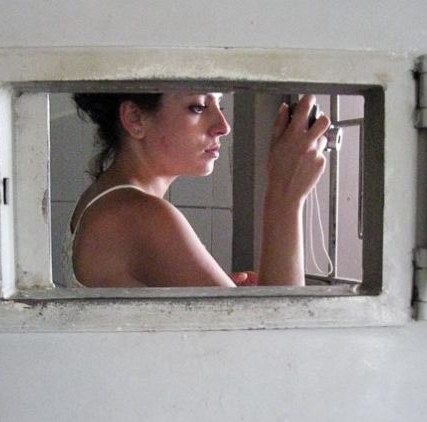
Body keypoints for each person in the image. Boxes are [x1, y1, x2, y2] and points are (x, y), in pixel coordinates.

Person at [64, 91, 330, 287]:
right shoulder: (138, 214)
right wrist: (285, 197)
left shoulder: (108, 198)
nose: (223, 127)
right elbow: (277, 336)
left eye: (220, 105)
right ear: (135, 119)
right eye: (199, 107)